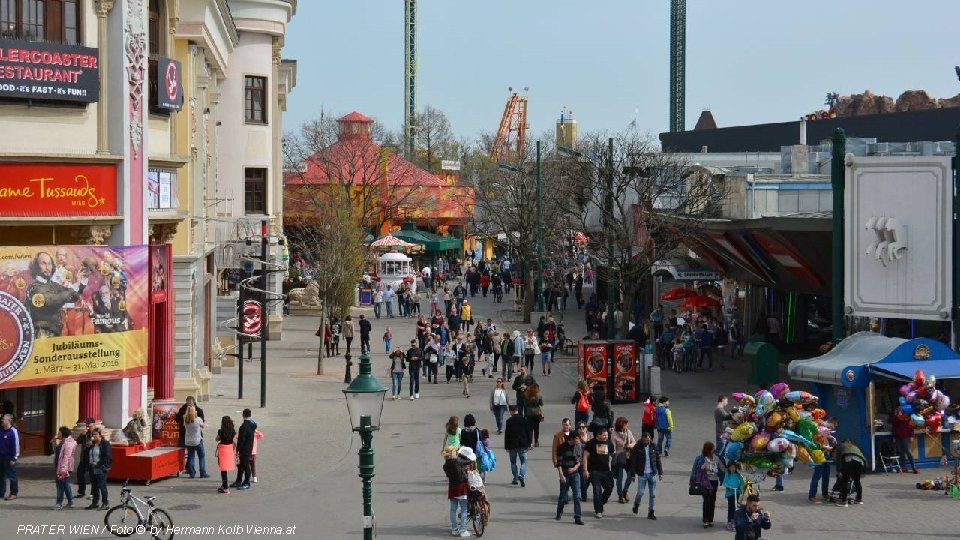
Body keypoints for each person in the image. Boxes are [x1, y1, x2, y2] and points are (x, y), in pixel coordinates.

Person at [582, 424, 615, 519]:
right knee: (597, 490)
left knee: (609, 488)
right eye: (604, 435)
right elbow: (585, 457)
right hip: (594, 471)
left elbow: (613, 455)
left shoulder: (609, 443)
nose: (606, 436)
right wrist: (585, 470)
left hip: (606, 471)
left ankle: (600, 503)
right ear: (598, 435)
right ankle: (598, 510)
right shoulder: (591, 443)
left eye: (607, 435)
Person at [628, 431, 663, 519]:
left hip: (652, 473)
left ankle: (651, 512)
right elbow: (633, 461)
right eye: (646, 440)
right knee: (640, 492)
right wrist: (633, 474)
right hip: (642, 474)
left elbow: (658, 459)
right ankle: (636, 504)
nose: (648, 442)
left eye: (649, 440)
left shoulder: (653, 445)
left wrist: (660, 472)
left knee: (653, 494)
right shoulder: (637, 447)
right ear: (642, 439)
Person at [555, 430, 585, 525]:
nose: (578, 440)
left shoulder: (578, 446)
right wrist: (561, 475)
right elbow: (559, 462)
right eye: (576, 438)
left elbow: (579, 460)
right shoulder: (563, 447)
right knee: (563, 496)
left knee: (577, 496)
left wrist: (574, 468)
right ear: (571, 439)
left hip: (575, 474)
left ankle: (577, 517)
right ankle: (559, 512)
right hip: (565, 474)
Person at [443, 445, 473, 537]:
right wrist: (460, 454)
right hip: (461, 486)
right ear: (453, 453)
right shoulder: (458, 461)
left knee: (453, 509)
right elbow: (469, 461)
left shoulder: (445, 465)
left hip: (452, 487)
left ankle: (454, 529)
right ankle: (463, 530)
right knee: (464, 508)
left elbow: (448, 475)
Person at [690, 441, 720, 528]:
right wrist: (693, 480)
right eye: (712, 449)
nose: (713, 450)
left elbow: (722, 468)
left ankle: (710, 520)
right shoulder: (700, 458)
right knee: (706, 500)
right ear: (708, 450)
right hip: (705, 482)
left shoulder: (717, 458)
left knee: (712, 501)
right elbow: (694, 470)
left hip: (714, 482)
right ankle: (705, 520)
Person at [611, 416, 636, 505]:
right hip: (619, 458)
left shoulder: (628, 432)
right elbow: (612, 450)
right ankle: (620, 494)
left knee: (630, 475)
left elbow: (634, 442)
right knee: (620, 478)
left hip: (628, 457)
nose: (627, 425)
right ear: (621, 425)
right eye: (626, 424)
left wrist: (630, 445)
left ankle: (625, 490)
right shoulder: (614, 434)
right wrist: (619, 453)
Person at [504, 405, 530, 487]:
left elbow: (507, 434)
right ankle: (521, 475)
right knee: (524, 462)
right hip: (523, 444)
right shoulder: (524, 419)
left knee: (513, 462)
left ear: (511, 411)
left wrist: (506, 446)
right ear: (517, 410)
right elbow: (528, 432)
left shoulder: (509, 421)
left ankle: (515, 478)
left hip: (512, 445)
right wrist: (529, 443)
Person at [85, 427, 111, 509]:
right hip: (92, 467)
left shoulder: (105, 444)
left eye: (95, 434)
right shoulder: (92, 444)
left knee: (102, 485)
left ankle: (105, 502)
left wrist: (98, 463)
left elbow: (107, 457)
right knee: (94, 486)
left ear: (100, 435)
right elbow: (87, 455)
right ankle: (95, 503)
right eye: (93, 434)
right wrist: (88, 446)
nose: (94, 436)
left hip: (100, 467)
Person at [834, 439, 866, 507]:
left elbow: (838, 459)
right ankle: (859, 499)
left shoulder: (841, 446)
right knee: (857, 481)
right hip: (860, 462)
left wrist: (839, 471)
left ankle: (844, 501)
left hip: (849, 461)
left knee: (845, 481)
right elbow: (862, 456)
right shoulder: (855, 447)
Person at [53, 426, 76, 510]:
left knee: (60, 485)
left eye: (59, 433)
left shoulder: (68, 443)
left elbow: (66, 457)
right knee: (65, 484)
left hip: (64, 468)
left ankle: (59, 503)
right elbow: (56, 452)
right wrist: (54, 441)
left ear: (63, 434)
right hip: (60, 466)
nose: (57, 434)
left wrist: (63, 470)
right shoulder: (62, 442)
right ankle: (70, 501)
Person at [183, 405, 209, 479]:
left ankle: (192, 473)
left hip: (188, 441)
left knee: (191, 457)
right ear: (194, 412)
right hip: (197, 441)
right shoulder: (198, 419)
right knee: (201, 456)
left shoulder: (185, 419)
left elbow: (184, 425)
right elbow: (203, 426)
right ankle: (202, 473)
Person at [232, 408, 255, 490]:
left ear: (243, 415)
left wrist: (238, 450)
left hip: (244, 450)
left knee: (245, 466)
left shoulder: (243, 427)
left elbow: (241, 440)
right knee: (240, 466)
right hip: (249, 448)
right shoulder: (252, 424)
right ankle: (238, 480)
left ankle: (247, 482)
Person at [892, 408, 919, 474]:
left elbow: (911, 427)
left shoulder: (908, 418)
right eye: (898, 412)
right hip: (898, 437)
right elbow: (894, 427)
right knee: (901, 453)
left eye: (900, 411)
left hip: (906, 437)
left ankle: (913, 467)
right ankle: (903, 467)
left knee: (908, 452)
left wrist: (911, 436)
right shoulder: (896, 418)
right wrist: (894, 437)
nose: (899, 413)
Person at [0, 414, 19, 501]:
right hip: (1, 456)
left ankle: (13, 493)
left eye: (3, 419)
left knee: (12, 476)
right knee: (1, 475)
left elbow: (16, 446)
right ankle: (1, 493)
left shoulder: (13, 431)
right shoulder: (1, 430)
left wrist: (14, 458)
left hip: (9, 457)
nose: (2, 420)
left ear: (8, 421)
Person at [75, 417, 95, 498]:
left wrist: (93, 442)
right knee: (80, 473)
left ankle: (93, 493)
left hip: (93, 458)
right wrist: (81, 435)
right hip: (84, 457)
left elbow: (100, 444)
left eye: (89, 424)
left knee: (93, 476)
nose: (87, 426)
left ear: (93, 424)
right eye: (86, 424)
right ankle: (81, 491)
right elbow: (77, 441)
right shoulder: (85, 434)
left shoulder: (96, 433)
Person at [722, 461, 745, 530]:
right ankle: (729, 521)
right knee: (731, 507)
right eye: (731, 468)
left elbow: (742, 482)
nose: (733, 469)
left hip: (736, 492)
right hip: (730, 493)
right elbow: (724, 483)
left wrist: (740, 486)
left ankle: (735, 521)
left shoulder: (738, 474)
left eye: (734, 468)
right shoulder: (727, 474)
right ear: (728, 468)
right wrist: (729, 487)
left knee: (736, 507)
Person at [216, 416, 236, 494]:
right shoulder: (233, 431)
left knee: (223, 469)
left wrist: (219, 434)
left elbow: (216, 439)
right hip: (229, 450)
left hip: (222, 450)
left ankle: (225, 488)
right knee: (226, 468)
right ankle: (224, 484)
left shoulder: (221, 431)